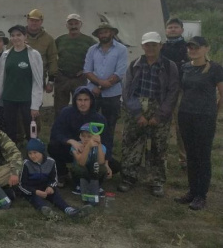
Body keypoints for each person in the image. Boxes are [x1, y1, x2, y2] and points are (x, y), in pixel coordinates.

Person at [119, 32, 179, 197]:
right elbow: (127, 91)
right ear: (143, 46)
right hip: (136, 107)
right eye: (147, 45)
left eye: (154, 44)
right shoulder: (134, 65)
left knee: (158, 147)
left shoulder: (169, 66)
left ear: (161, 45)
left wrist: (159, 116)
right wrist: (138, 114)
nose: (150, 48)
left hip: (159, 108)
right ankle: (129, 177)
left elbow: (173, 92)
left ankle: (157, 181)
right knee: (131, 143)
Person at [175, 36, 223, 210]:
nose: (192, 51)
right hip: (186, 115)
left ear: (206, 48)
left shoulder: (215, 68)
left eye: (196, 47)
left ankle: (201, 195)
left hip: (205, 117)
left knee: (203, 156)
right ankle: (192, 191)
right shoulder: (185, 68)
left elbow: (221, 93)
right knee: (191, 155)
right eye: (190, 48)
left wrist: (214, 112)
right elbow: (181, 90)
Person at [48, 86, 118, 186]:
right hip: (70, 149)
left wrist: (106, 162)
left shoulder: (99, 118)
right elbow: (56, 133)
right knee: (53, 146)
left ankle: (90, 174)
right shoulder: (66, 113)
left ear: (91, 101)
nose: (83, 103)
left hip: (92, 152)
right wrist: (71, 141)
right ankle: (62, 173)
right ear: (75, 101)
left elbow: (107, 140)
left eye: (86, 100)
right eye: (79, 100)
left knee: (115, 166)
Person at [0, 25, 43, 145]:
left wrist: (35, 105)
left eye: (19, 35)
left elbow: (38, 81)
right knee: (10, 130)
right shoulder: (5, 55)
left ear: (25, 36)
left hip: (27, 99)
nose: (15, 38)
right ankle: (12, 152)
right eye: (13, 36)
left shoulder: (34, 55)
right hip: (9, 98)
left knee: (30, 129)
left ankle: (33, 152)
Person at [83, 22, 128, 158]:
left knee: (109, 125)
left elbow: (119, 73)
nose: (103, 35)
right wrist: (98, 84)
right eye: (101, 33)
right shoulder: (92, 49)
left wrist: (101, 86)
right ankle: (90, 153)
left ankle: (106, 155)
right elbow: (87, 70)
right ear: (98, 35)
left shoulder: (121, 49)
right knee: (90, 124)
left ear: (112, 33)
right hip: (93, 93)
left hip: (112, 94)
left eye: (106, 32)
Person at [19, 138, 91, 218]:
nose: (32, 156)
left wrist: (51, 186)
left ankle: (69, 210)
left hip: (45, 188)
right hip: (32, 190)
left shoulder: (51, 162)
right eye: (30, 153)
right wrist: (35, 192)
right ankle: (47, 212)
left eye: (35, 152)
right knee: (35, 199)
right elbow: (22, 184)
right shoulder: (26, 164)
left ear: (42, 152)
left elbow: (54, 179)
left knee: (56, 195)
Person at [54, 14, 96, 116]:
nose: (73, 26)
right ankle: (61, 129)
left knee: (81, 106)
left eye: (76, 23)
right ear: (66, 26)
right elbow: (51, 56)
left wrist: (86, 70)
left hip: (80, 78)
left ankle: (81, 129)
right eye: (70, 24)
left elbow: (97, 57)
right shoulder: (60, 40)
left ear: (81, 24)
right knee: (60, 108)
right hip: (62, 78)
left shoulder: (89, 41)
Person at [160, 17, 188, 170]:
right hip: (163, 91)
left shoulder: (188, 47)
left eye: (176, 27)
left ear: (182, 30)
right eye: (170, 27)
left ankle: (184, 159)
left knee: (181, 125)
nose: (172, 29)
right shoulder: (161, 48)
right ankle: (159, 157)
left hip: (181, 90)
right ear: (166, 30)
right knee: (160, 124)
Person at [70, 123, 111, 195]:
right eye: (83, 136)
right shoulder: (76, 146)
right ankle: (78, 186)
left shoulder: (102, 147)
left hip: (93, 170)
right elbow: (81, 163)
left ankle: (97, 186)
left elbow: (101, 162)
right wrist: (88, 147)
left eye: (89, 136)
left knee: (103, 169)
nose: (85, 139)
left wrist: (99, 144)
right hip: (82, 170)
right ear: (80, 136)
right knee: (78, 168)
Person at [25, 9, 58, 95]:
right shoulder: (18, 36)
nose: (34, 23)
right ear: (27, 20)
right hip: (20, 77)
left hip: (39, 78)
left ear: (41, 22)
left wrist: (51, 82)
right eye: (32, 20)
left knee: (36, 105)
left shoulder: (48, 39)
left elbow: (53, 59)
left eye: (37, 21)